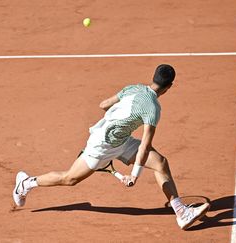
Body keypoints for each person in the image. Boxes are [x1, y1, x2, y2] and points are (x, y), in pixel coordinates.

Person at [12, 64, 210, 230]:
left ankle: (181, 212)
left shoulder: (134, 88)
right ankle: (26, 184)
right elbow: (145, 146)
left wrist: (117, 119)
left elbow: (103, 104)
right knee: (70, 179)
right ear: (169, 87)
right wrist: (135, 174)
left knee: (160, 163)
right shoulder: (153, 108)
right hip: (102, 144)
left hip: (121, 140)